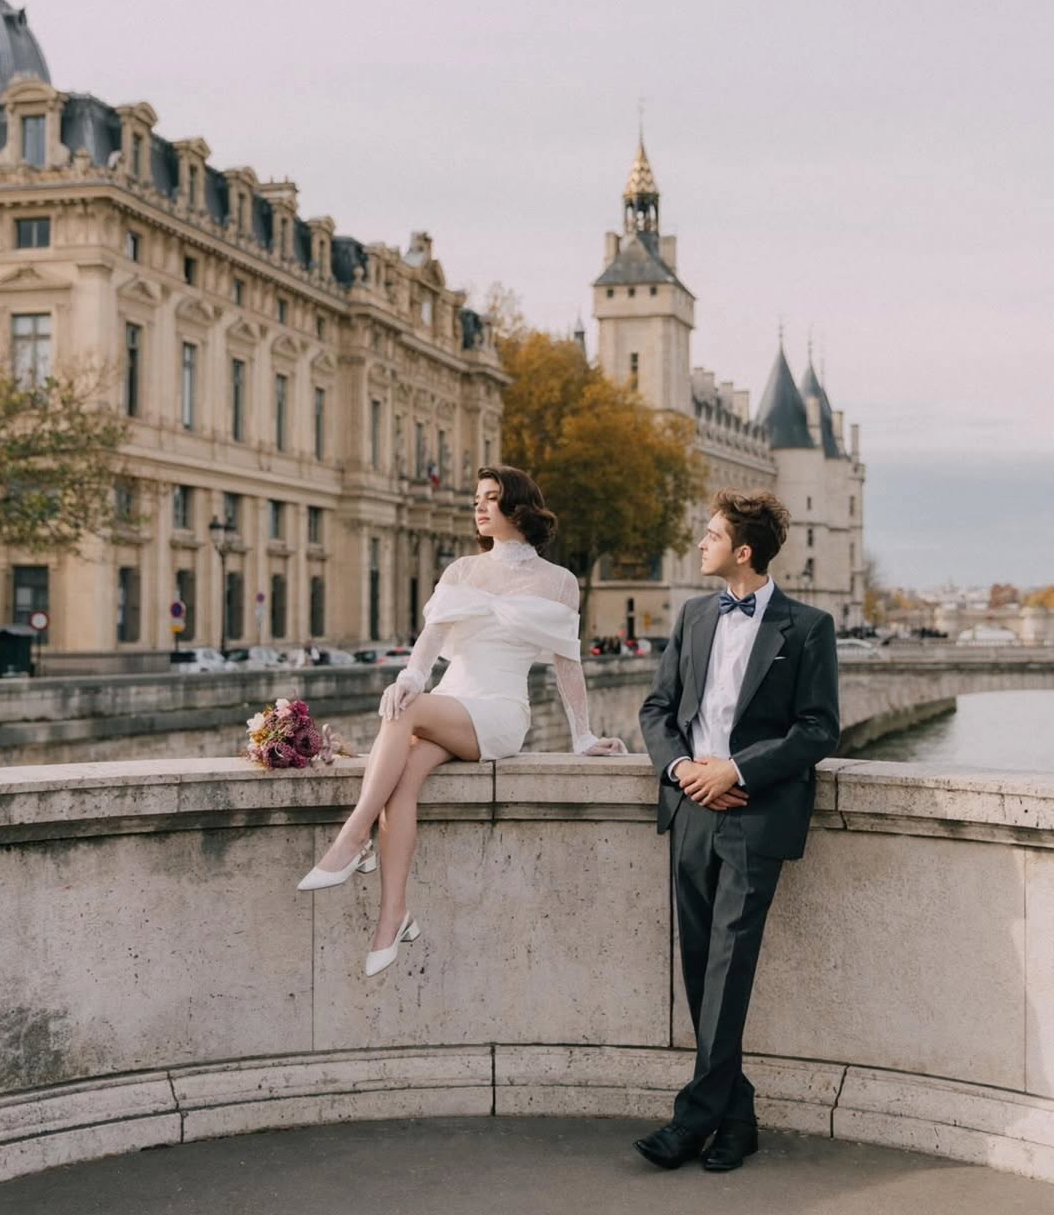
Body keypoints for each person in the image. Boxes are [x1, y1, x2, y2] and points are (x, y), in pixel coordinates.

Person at [296, 465, 626, 975]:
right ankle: (393, 917)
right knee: (402, 781)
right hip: (452, 700)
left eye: (490, 498)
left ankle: (353, 836)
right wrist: (409, 675)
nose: (479, 506)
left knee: (407, 710)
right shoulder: (460, 571)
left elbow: (568, 663)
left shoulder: (558, 581)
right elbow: (431, 639)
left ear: (517, 508)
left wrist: (582, 735)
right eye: (477, 498)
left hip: (499, 710)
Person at [634, 489, 839, 1173]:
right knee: (699, 965)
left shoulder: (807, 627)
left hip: (755, 814)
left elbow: (817, 728)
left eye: (711, 535)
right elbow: (658, 710)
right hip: (691, 809)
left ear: (742, 551)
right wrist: (685, 769)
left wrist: (735, 771)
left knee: (728, 964)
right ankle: (738, 1118)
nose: (700, 543)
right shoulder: (693, 615)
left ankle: (691, 1120)